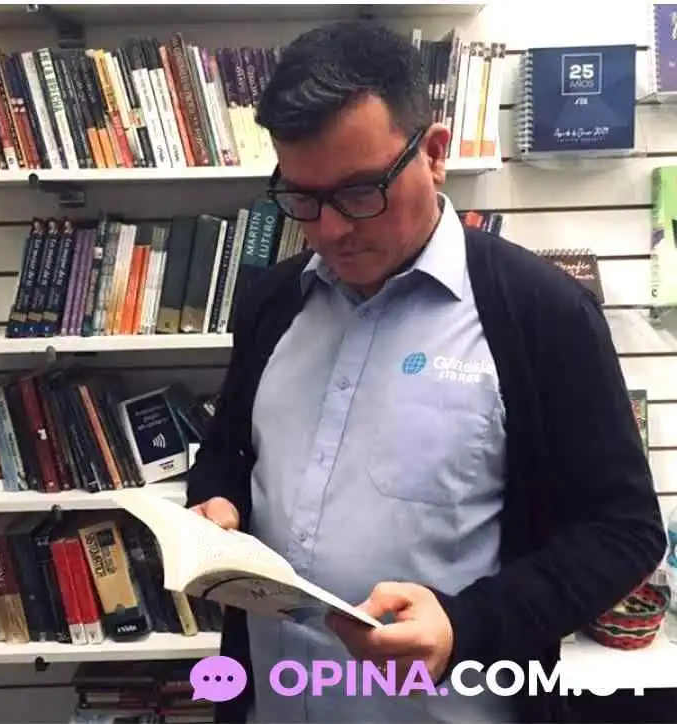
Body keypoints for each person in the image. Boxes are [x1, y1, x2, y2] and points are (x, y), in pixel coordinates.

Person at [186, 20, 666, 724]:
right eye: (302, 198)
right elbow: (228, 454)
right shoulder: (272, 302)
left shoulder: (541, 314)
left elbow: (623, 531)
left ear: (435, 153)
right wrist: (216, 502)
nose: (329, 229)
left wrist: (465, 626)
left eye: (359, 192)